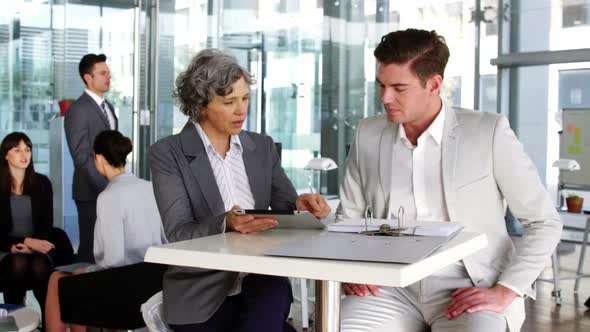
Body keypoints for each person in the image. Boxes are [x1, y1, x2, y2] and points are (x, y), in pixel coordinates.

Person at [337, 29, 562, 332]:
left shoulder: (488, 132)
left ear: (434, 84)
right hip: (388, 286)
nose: (385, 98)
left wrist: (507, 289)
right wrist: (350, 270)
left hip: (469, 284)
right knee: (336, 326)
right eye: (381, 86)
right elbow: (347, 219)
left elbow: (544, 221)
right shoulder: (368, 132)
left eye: (398, 88)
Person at [150, 49, 331, 332]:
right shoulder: (168, 153)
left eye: (245, 98)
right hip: (202, 293)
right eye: (229, 101)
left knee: (270, 293)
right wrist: (226, 222)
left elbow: (286, 204)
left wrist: (302, 204)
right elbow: (178, 234)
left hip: (262, 279)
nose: (241, 110)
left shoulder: (262, 147)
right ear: (200, 105)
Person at [45, 130, 167, 332]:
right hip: (153, 282)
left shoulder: (109, 196)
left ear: (99, 158)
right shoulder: (150, 187)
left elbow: (113, 261)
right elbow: (164, 239)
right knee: (75, 280)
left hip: (124, 287)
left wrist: (87, 271)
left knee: (58, 280)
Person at [0, 132, 73, 325]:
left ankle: (48, 322)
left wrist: (32, 245)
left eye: (27, 150)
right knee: (17, 265)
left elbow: (46, 225)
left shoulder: (42, 184)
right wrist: (20, 243)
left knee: (41, 265)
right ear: (6, 155)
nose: (24, 155)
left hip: (37, 247)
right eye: (17, 150)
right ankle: (16, 320)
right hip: (6, 248)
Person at [65, 53, 118, 263]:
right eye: (103, 73)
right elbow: (81, 156)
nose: (109, 77)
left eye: (109, 73)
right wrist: (105, 186)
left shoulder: (109, 107)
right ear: (88, 77)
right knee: (91, 248)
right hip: (91, 191)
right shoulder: (78, 110)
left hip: (112, 188)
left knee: (109, 247)